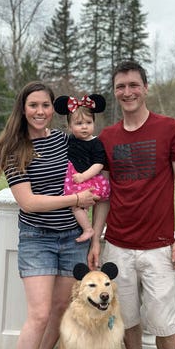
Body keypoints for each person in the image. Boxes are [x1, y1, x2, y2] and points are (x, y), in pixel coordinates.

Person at [88, 60, 175, 349]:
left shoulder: (170, 129)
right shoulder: (107, 137)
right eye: (121, 86)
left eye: (134, 85)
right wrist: (97, 239)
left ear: (145, 88)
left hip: (159, 248)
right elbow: (105, 195)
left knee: (164, 325)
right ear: (114, 92)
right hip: (118, 246)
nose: (127, 92)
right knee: (126, 320)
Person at [0, 81, 99, 349]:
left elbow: (96, 156)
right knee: (39, 315)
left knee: (61, 308)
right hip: (37, 239)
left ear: (53, 108)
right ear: (23, 110)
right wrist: (76, 200)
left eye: (46, 105)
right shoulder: (15, 149)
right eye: (33, 105)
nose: (40, 111)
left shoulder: (65, 141)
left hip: (74, 239)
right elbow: (28, 202)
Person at [53, 94, 111, 243]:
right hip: (74, 177)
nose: (84, 126)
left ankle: (88, 229)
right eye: (79, 123)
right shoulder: (69, 140)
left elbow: (99, 164)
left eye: (88, 122)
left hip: (89, 179)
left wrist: (83, 176)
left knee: (76, 206)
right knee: (78, 206)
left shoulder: (95, 143)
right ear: (70, 127)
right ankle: (86, 227)